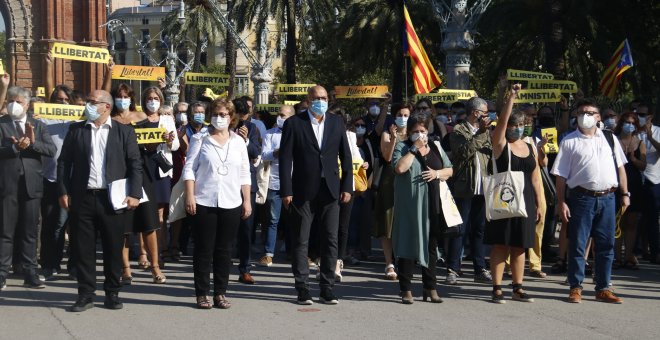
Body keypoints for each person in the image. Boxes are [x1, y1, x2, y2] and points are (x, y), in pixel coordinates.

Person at [58, 90, 142, 311]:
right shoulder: (77, 130)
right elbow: (64, 163)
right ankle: (85, 294)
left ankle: (112, 293)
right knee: (83, 249)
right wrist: (63, 191)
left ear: (106, 106)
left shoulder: (124, 132)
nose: (88, 105)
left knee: (113, 248)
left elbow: (135, 164)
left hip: (112, 199)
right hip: (83, 197)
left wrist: (135, 193)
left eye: (92, 102)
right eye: (88, 101)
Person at [279, 85, 352, 305]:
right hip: (302, 191)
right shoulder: (294, 123)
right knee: (301, 240)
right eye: (317, 98)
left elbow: (345, 156)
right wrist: (287, 190)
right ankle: (302, 288)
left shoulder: (336, 122)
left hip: (330, 190)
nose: (321, 101)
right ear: (308, 100)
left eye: (324, 97)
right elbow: (285, 159)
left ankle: (327, 288)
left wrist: (347, 186)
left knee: (330, 239)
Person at [551, 98, 629, 304]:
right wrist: (561, 202)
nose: (586, 116)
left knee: (606, 245)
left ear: (598, 117)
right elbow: (560, 176)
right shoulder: (569, 141)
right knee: (577, 243)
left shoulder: (610, 138)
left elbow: (620, 168)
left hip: (608, 198)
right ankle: (575, 287)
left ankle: (603, 287)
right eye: (582, 112)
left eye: (590, 112)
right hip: (581, 198)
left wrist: (625, 193)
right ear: (577, 116)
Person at [183, 98, 251, 309]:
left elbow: (244, 173)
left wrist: (247, 200)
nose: (219, 118)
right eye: (215, 114)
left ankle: (220, 292)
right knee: (204, 249)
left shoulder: (238, 142)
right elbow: (189, 169)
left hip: (231, 202)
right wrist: (189, 195)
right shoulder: (199, 138)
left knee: (224, 250)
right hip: (204, 200)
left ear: (231, 118)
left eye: (223, 115)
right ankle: (202, 293)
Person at [486, 84, 542, 304]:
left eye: (521, 124)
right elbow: (500, 124)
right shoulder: (500, 144)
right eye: (514, 124)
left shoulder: (529, 145)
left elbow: (535, 177)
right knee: (501, 244)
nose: (518, 128)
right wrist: (511, 98)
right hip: (505, 196)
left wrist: (538, 203)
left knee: (520, 245)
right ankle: (497, 287)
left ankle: (518, 287)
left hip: (526, 200)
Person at [392, 113, 453, 304]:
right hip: (410, 207)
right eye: (415, 131)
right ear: (409, 132)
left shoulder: (435, 146)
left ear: (428, 131)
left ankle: (430, 287)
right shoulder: (402, 147)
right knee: (407, 246)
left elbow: (449, 170)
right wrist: (413, 149)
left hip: (433, 205)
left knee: (432, 247)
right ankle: (406, 289)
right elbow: (400, 168)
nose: (419, 134)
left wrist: (437, 173)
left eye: (423, 131)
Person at [0, 86, 56, 291]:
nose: (14, 105)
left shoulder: (38, 126)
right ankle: (2, 272)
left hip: (32, 186)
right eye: (11, 101)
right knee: (5, 231)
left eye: (19, 102)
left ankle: (30, 272)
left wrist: (32, 144)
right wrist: (14, 148)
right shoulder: (2, 124)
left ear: (27, 104)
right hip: (7, 185)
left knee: (30, 231)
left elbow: (51, 150)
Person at [447, 97, 493, 285]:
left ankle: (479, 268)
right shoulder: (458, 130)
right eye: (485, 113)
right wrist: (481, 133)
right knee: (460, 229)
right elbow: (463, 152)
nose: (487, 116)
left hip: (484, 187)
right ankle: (453, 268)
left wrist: (485, 133)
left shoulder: (488, 132)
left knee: (480, 229)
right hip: (465, 187)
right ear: (475, 113)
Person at [375, 103, 412, 280]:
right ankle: (389, 262)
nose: (403, 117)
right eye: (400, 114)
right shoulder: (386, 134)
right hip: (390, 182)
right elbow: (387, 157)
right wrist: (394, 137)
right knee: (388, 222)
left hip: (409, 182)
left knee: (405, 222)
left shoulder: (414, 135)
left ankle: (405, 259)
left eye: (406, 114)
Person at [258, 105, 294, 267]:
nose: (280, 117)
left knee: (295, 220)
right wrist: (275, 153)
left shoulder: (297, 133)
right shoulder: (270, 134)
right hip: (274, 182)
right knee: (273, 219)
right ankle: (268, 253)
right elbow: (263, 155)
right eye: (279, 114)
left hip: (294, 184)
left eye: (283, 115)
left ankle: (295, 252)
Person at [232, 97, 262, 284]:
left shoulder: (253, 129)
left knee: (246, 229)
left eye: (244, 115)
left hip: (246, 184)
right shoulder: (224, 127)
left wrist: (245, 140)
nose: (241, 120)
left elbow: (255, 152)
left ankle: (245, 269)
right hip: (225, 183)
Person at [613, 112, 646, 269]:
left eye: (632, 123)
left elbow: (643, 165)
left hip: (634, 185)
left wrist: (633, 159)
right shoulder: (614, 140)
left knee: (631, 222)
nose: (629, 125)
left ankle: (628, 257)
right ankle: (617, 257)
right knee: (618, 221)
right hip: (616, 185)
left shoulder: (640, 143)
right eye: (626, 122)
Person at [637, 104, 660, 265]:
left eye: (643, 114)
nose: (640, 116)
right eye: (637, 113)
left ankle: (655, 252)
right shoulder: (633, 131)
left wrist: (650, 137)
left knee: (652, 219)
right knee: (636, 219)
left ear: (650, 116)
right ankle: (638, 250)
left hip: (653, 181)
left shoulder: (658, 131)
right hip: (636, 179)